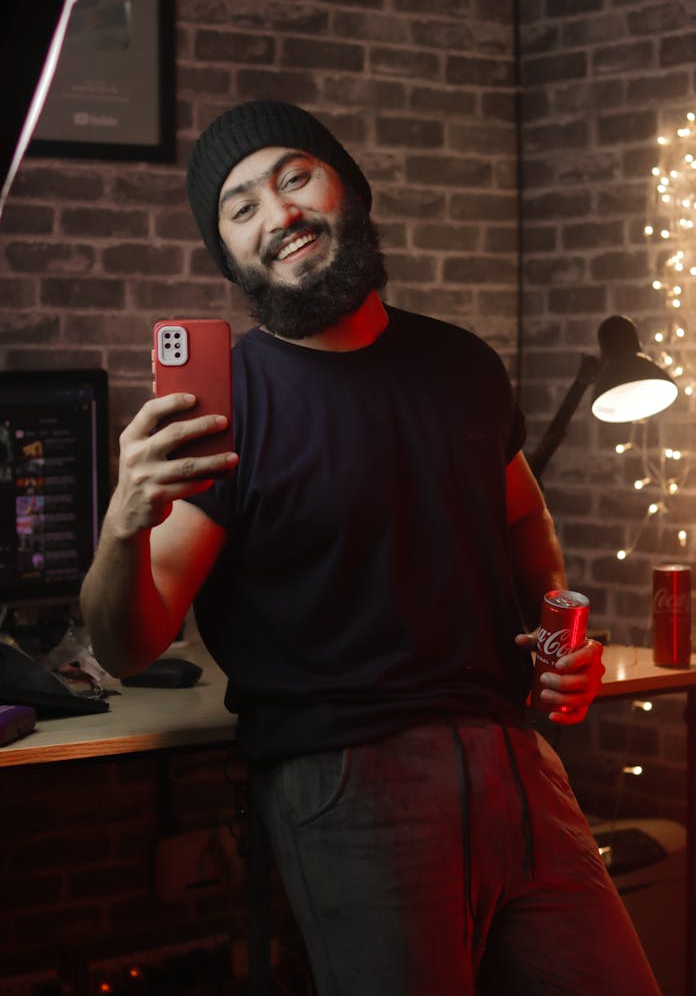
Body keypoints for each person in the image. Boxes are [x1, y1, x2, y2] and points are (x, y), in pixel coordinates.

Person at [80, 101, 661, 996]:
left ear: (346, 186)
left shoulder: (463, 364)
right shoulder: (225, 405)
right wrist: (124, 522)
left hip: (518, 761)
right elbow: (129, 642)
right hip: (346, 782)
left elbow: (522, 522)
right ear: (229, 255)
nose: (279, 215)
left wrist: (560, 639)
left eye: (295, 177)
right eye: (241, 208)